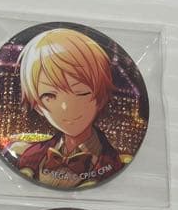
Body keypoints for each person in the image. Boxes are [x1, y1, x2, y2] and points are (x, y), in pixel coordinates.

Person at [7, 27, 124, 189]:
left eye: (81, 93)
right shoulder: (30, 156)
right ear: (38, 106)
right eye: (49, 96)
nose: (65, 107)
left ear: (101, 97)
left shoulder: (112, 163)